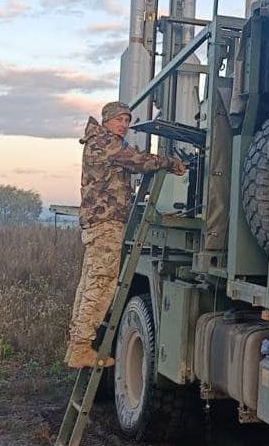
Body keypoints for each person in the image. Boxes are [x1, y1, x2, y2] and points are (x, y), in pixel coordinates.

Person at [65, 101, 186, 369]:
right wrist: (169, 163)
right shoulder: (106, 143)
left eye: (127, 121)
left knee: (89, 284)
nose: (124, 125)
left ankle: (77, 344)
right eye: (120, 119)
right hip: (106, 224)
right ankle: (82, 347)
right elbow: (138, 160)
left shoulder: (99, 141)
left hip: (99, 224)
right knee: (101, 284)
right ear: (107, 121)